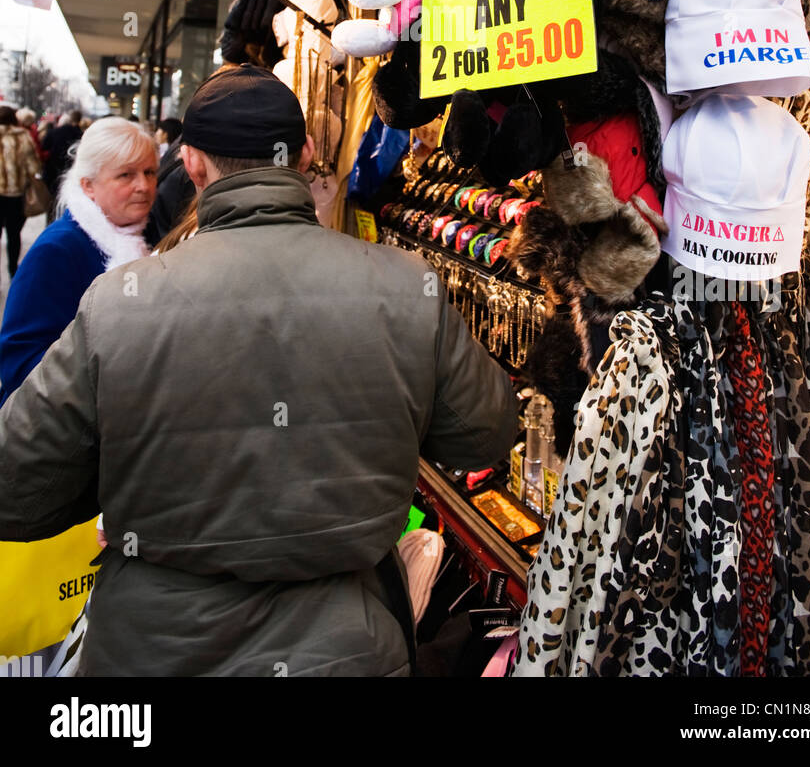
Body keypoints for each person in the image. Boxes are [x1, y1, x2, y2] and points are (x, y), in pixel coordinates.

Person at [0, 66, 518, 676]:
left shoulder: (121, 303)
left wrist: (130, 475)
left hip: (156, 650)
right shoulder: (407, 289)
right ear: (302, 154)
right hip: (345, 650)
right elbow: (485, 434)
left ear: (190, 164)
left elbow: (18, 487)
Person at [0, 117, 157, 403]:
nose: (144, 186)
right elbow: (19, 362)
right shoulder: (58, 250)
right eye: (126, 175)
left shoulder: (140, 236)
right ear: (88, 185)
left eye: (150, 172)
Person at [0, 105, 41, 281]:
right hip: (16, 196)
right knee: (13, 234)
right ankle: (12, 271)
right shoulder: (23, 137)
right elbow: (34, 167)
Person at [40, 109, 83, 218]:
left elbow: (43, 148)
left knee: (52, 198)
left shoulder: (53, 133)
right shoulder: (79, 133)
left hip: (52, 171)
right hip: (71, 170)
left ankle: (50, 219)